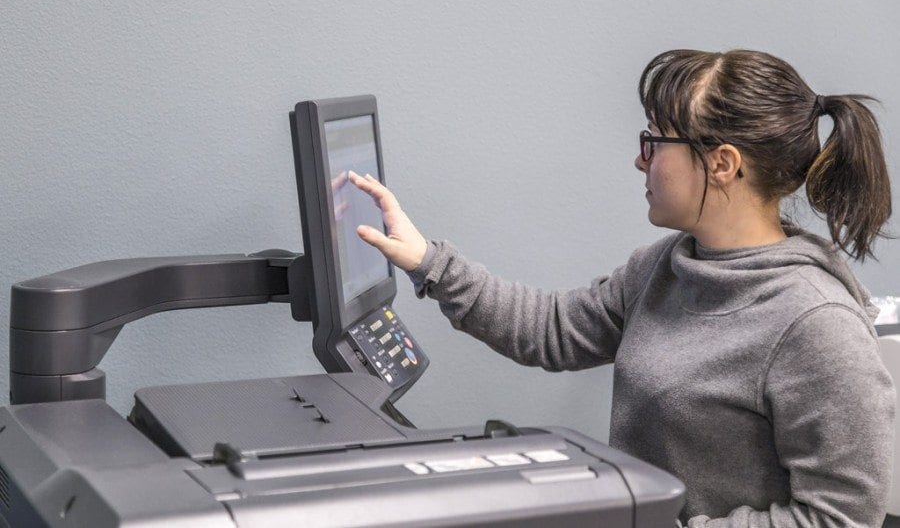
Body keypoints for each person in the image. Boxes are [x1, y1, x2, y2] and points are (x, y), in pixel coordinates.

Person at [347, 49, 896, 527]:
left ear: (723, 164)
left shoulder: (816, 323)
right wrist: (426, 261)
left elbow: (840, 517)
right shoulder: (666, 265)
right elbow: (552, 331)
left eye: (654, 142)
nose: (640, 160)